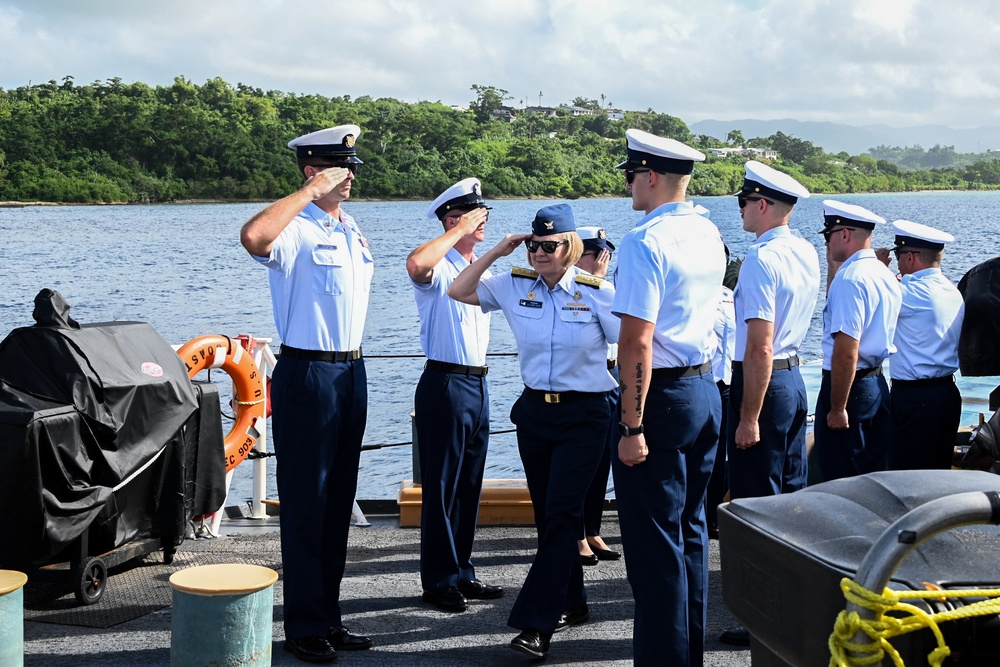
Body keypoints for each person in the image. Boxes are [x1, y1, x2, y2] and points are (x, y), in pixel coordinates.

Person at [448, 204, 620, 659]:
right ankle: (574, 602)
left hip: (586, 415)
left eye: (551, 245)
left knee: (563, 513)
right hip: (536, 415)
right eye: (535, 244)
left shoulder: (597, 292)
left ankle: (536, 624)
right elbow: (457, 289)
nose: (541, 252)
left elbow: (637, 341)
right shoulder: (513, 283)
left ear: (571, 247)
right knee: (550, 516)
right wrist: (499, 251)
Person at [240, 125, 374, 663]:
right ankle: (302, 624)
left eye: (352, 169)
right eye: (337, 169)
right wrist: (309, 195)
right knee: (306, 505)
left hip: (351, 374)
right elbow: (254, 237)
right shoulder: (295, 227)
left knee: (337, 504)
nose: (349, 178)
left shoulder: (352, 231)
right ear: (311, 170)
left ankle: (329, 616)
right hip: (308, 375)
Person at [611, 129, 726, 667]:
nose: (630, 185)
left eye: (631, 175)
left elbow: (636, 340)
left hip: (660, 398)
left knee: (656, 550)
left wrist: (631, 428)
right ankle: (689, 656)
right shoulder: (707, 232)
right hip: (703, 389)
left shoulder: (644, 241)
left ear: (650, 176)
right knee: (691, 535)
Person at [718, 161, 820, 647]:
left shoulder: (761, 258)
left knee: (756, 505)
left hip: (763, 381)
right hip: (793, 378)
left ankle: (762, 616)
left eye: (743, 201)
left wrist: (748, 416)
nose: (739, 209)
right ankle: (799, 602)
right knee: (791, 499)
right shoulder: (805, 250)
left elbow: (758, 344)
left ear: (762, 205)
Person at [406, 178, 503, 613]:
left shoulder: (476, 270)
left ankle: (462, 570)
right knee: (442, 487)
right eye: (475, 215)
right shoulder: (438, 268)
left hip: (477, 384)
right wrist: (456, 231)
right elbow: (415, 263)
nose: (483, 221)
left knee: (468, 486)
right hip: (445, 382)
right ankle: (439, 580)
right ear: (453, 219)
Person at [812, 200, 902, 481]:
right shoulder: (881, 274)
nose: (827, 244)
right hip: (876, 383)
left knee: (842, 480)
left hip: (849, 389)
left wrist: (837, 408)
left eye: (829, 236)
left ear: (845, 234)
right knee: (874, 476)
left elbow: (846, 352)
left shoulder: (851, 279)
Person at [886, 219, 965, 470]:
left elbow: (874, 292)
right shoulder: (951, 290)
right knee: (936, 471)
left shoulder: (911, 294)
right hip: (946, 394)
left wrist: (877, 266)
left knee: (907, 475)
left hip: (915, 399)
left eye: (898, 255)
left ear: (910, 258)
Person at [574, 226, 621, 565]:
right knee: (577, 468)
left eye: (607, 255)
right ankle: (577, 534)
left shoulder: (603, 289)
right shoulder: (575, 290)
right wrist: (598, 280)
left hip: (607, 383)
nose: (604, 261)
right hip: (578, 387)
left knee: (600, 464)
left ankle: (592, 528)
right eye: (598, 254)